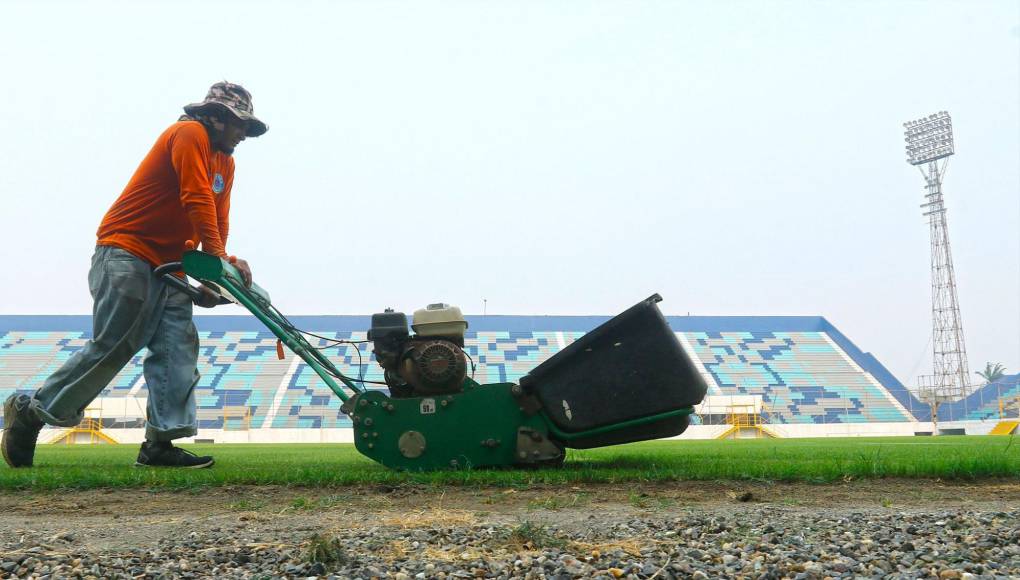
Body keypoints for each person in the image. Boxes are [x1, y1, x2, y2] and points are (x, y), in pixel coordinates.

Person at [2, 82, 266, 469]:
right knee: (115, 344)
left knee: (178, 347)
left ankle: (160, 445)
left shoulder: (225, 162)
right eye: (239, 124)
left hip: (171, 265)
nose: (243, 134)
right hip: (127, 251)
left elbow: (217, 217)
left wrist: (218, 271)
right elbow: (195, 197)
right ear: (216, 117)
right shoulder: (188, 133)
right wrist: (215, 259)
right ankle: (31, 412)